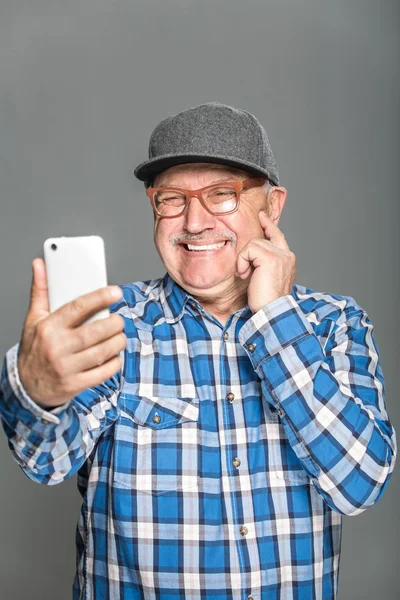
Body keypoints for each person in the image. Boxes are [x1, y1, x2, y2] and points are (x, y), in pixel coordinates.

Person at [0, 102, 397, 600]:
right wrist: (35, 389)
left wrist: (274, 320)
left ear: (272, 207)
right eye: (171, 199)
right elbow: (46, 458)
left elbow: (360, 482)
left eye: (222, 195)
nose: (194, 221)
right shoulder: (114, 326)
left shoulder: (336, 323)